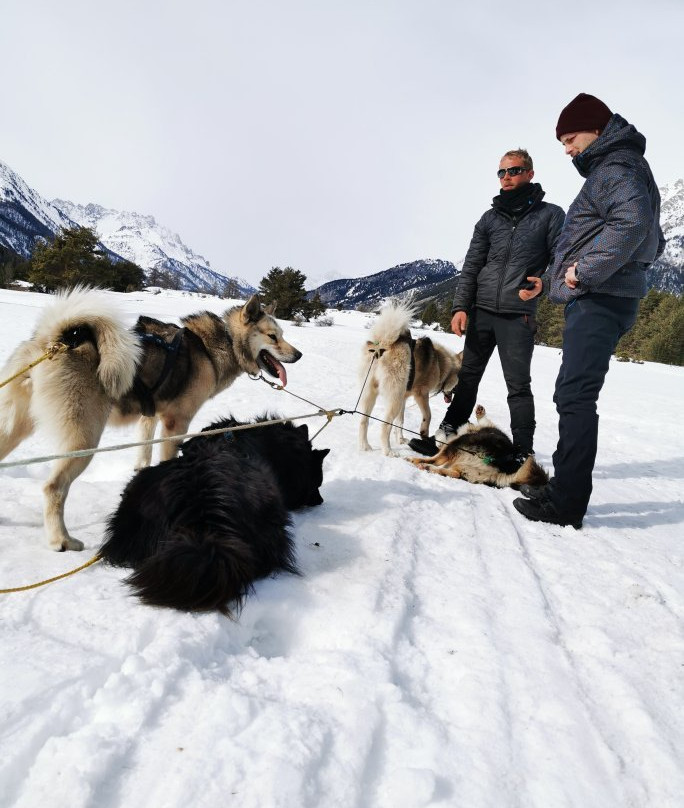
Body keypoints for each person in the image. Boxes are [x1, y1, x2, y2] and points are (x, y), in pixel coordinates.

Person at [513, 93, 665, 529]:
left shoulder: (615, 167)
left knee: (575, 397)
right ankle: (564, 489)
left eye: (570, 137)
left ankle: (565, 502)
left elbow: (633, 225)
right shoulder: (625, 166)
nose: (566, 148)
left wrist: (584, 272)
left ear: (597, 130)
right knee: (574, 394)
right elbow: (653, 237)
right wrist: (558, 278)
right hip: (612, 295)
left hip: (600, 298)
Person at [409, 149, 565, 460]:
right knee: (467, 377)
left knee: (518, 385)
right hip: (481, 312)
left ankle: (523, 452)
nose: (507, 177)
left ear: (530, 174)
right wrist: (460, 307)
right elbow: (472, 265)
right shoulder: (490, 218)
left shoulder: (551, 215)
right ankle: (447, 434)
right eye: (502, 172)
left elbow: (562, 258)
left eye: (514, 171)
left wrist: (544, 284)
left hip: (518, 315)